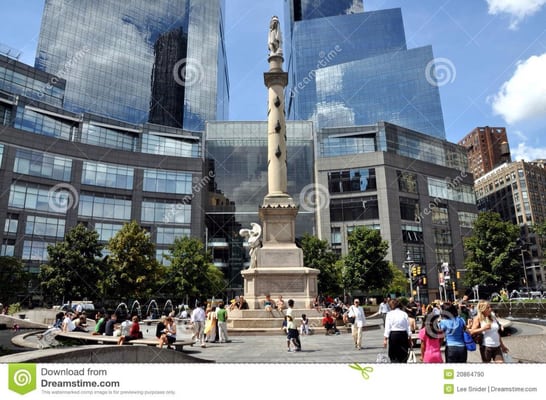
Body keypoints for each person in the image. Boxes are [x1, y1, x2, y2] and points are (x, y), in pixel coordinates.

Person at [383, 299, 412, 363]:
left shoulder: (389, 314)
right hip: (403, 334)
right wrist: (409, 338)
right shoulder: (404, 314)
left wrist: (385, 339)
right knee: (403, 353)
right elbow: (408, 327)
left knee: (393, 354)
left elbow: (387, 327)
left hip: (393, 334)